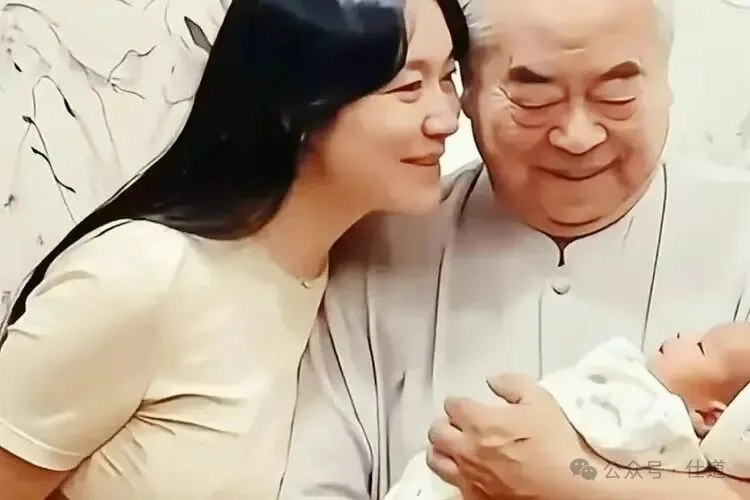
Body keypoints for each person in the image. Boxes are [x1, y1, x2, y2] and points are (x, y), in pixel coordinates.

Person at [278, 0, 750, 498]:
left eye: (616, 95)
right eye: (533, 99)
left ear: (666, 85)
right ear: (465, 91)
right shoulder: (377, 245)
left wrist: (576, 478)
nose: (577, 136)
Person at [0, 0, 469, 498]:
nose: (447, 118)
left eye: (449, 77)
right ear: (297, 104)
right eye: (408, 88)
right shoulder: (144, 274)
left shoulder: (359, 274)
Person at [386, 324, 750, 500]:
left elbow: (601, 446)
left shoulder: (660, 423)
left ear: (710, 416)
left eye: (700, 347)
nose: (684, 335)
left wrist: (568, 476)